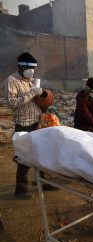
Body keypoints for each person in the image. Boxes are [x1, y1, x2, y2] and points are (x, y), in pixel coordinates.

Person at [3, 52, 43, 199]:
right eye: (28, 67)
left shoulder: (31, 80)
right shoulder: (11, 81)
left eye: (33, 68)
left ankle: (44, 181)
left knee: (41, 153)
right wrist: (32, 93)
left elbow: (36, 100)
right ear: (20, 66)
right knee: (24, 158)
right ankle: (21, 190)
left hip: (37, 122)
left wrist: (43, 98)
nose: (31, 71)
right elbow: (12, 104)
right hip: (24, 125)